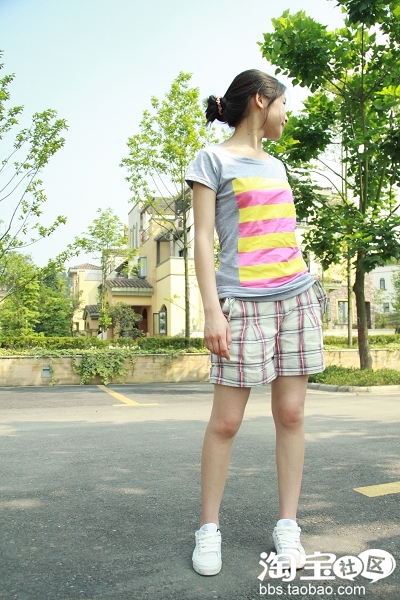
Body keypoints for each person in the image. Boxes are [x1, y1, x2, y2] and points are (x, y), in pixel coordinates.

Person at [185, 69, 327, 577]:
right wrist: (211, 309)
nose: (287, 116)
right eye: (284, 104)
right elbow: (204, 239)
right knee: (226, 423)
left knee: (291, 415)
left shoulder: (278, 165)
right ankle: (209, 528)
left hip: (296, 297)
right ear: (262, 101)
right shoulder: (212, 159)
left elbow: (282, 234)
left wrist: (306, 288)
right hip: (243, 305)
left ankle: (288, 525)